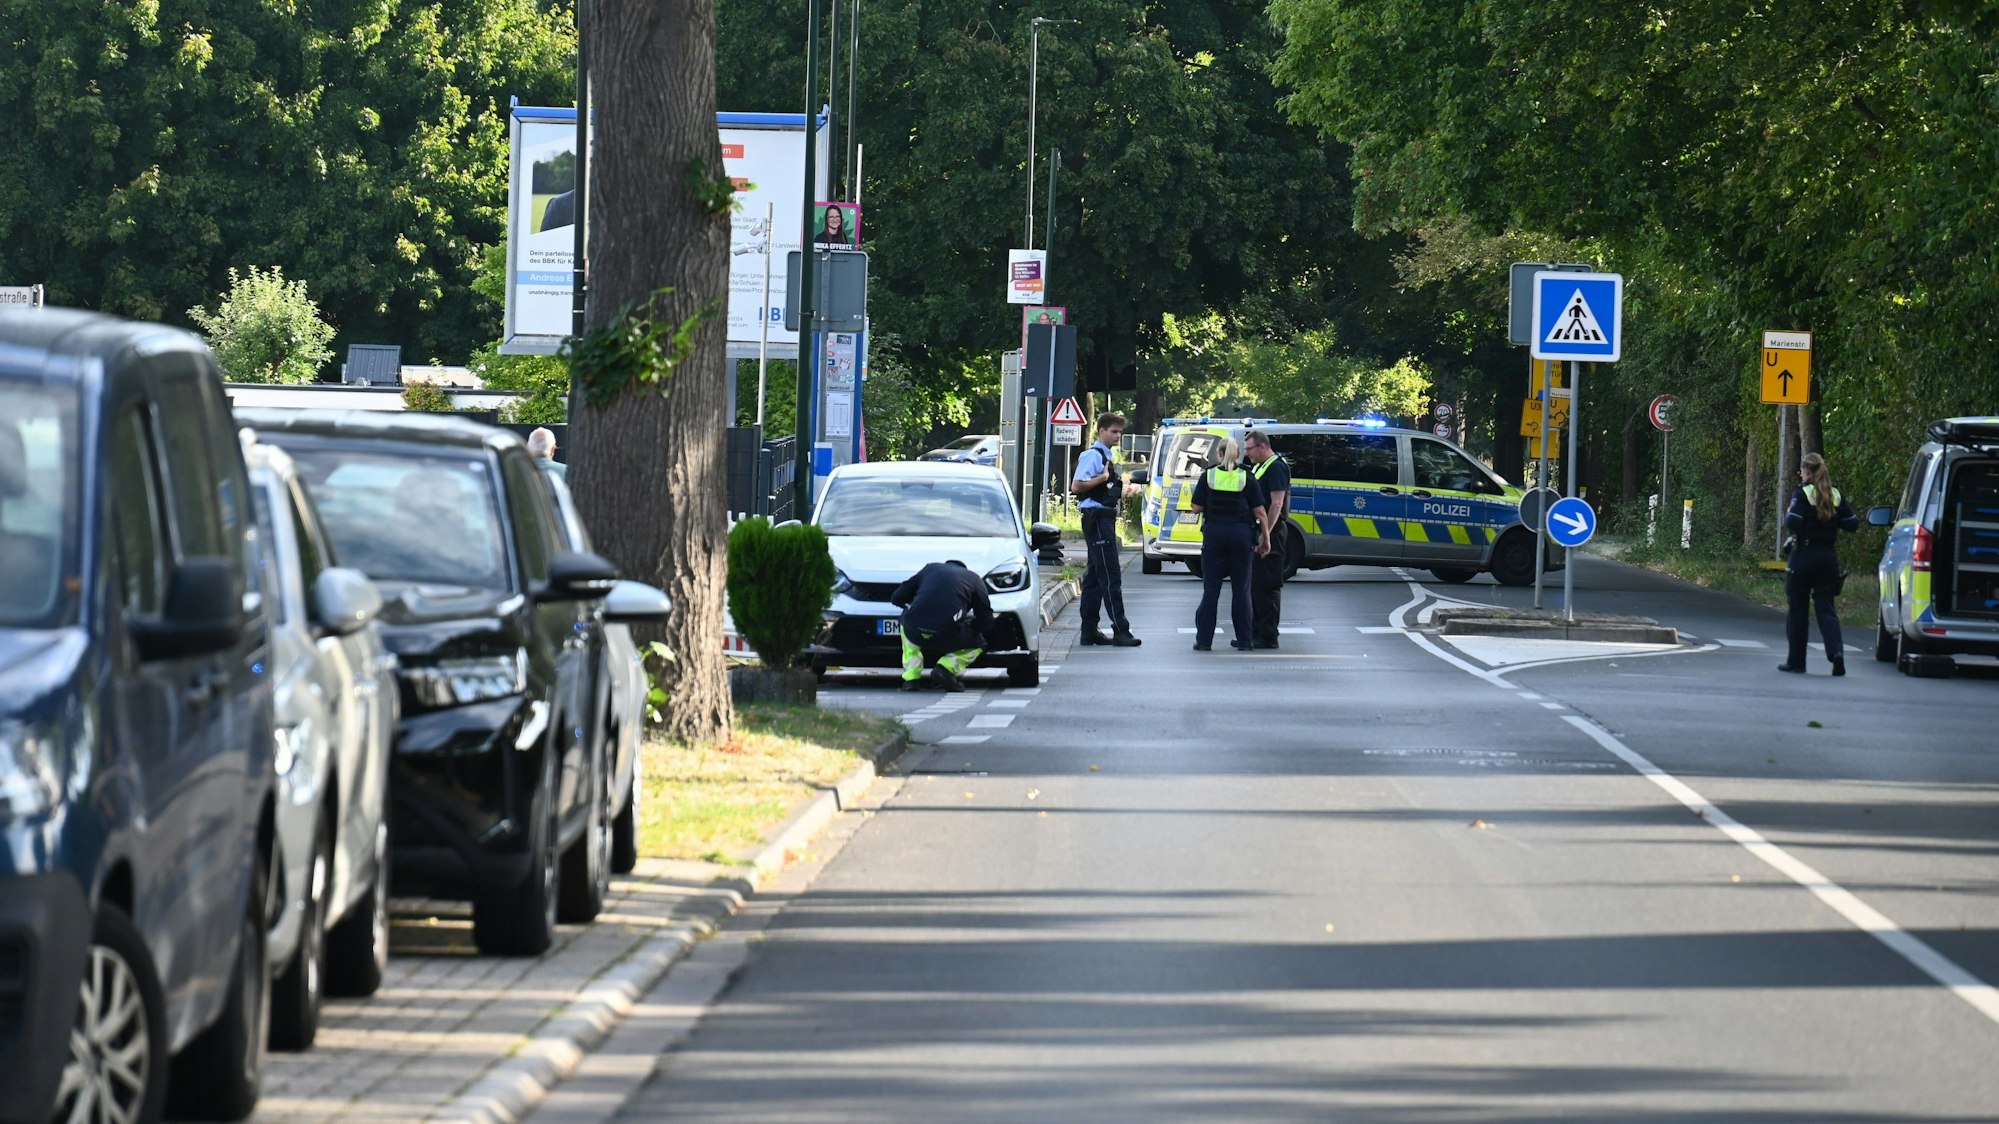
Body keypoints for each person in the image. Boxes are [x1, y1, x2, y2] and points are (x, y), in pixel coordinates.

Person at [1779, 451, 1858, 676]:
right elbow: (1852, 523)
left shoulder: (1802, 493)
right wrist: (1831, 521)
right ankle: (1836, 653)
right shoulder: (1834, 494)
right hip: (1828, 558)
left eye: (1802, 471)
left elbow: (1793, 520)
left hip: (1804, 555)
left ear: (1806, 471)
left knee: (1798, 609)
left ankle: (1796, 662)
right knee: (1826, 608)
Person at [1190, 436, 1269, 651]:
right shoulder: (1246, 477)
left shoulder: (1209, 476)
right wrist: (1265, 538)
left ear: (1220, 454)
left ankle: (1204, 641)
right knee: (1241, 591)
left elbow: (1196, 508)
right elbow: (1260, 512)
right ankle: (1245, 640)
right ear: (1238, 454)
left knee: (1211, 590)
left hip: (1215, 534)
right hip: (1241, 535)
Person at [1071, 412, 1141, 647]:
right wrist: (1101, 479)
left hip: (1103, 519)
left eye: (1120, 432)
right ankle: (1121, 629)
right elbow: (1076, 485)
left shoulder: (1105, 455)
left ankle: (1088, 630)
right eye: (1113, 431)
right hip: (1097, 519)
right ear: (1101, 431)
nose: (1117, 435)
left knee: (1093, 578)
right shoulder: (1093, 455)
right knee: (1111, 576)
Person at [891, 560, 994, 691]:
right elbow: (986, 620)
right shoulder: (974, 579)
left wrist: (912, 606)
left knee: (906, 620)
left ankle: (911, 678)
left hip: (914, 630)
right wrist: (972, 627)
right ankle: (945, 668)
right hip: (947, 632)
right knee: (980, 645)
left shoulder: (930, 569)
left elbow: (897, 597)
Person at [1243, 430, 1292, 648]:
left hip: (1272, 532)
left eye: (1249, 449)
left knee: (1268, 585)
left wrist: (1266, 534)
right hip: (1260, 531)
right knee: (1256, 585)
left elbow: (1277, 504)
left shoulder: (1276, 467)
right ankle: (1256, 632)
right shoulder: (1261, 466)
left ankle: (1268, 635)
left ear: (1262, 447)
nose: (1247, 454)